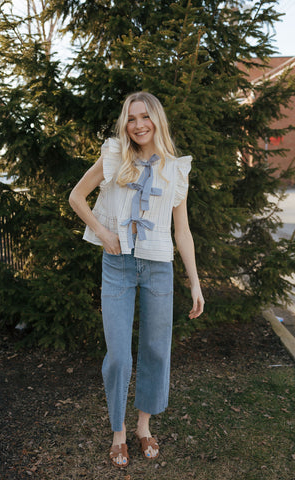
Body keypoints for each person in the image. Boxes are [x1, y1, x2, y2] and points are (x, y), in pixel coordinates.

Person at [69, 91, 204, 468]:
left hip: (159, 265)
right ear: (124, 124)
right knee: (118, 354)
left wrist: (195, 282)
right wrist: (102, 232)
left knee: (157, 349)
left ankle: (143, 426)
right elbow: (76, 197)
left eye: (145, 117)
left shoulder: (177, 170)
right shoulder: (114, 155)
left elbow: (183, 231)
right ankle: (118, 431)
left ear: (157, 120)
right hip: (118, 264)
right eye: (131, 118)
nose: (138, 124)